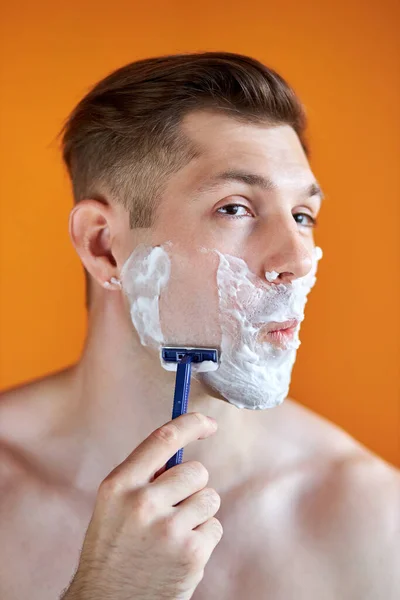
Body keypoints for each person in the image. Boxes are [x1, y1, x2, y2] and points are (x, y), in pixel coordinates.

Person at [0, 52, 398, 600]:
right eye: (235, 208)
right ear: (104, 246)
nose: (300, 258)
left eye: (303, 216)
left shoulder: (372, 518)